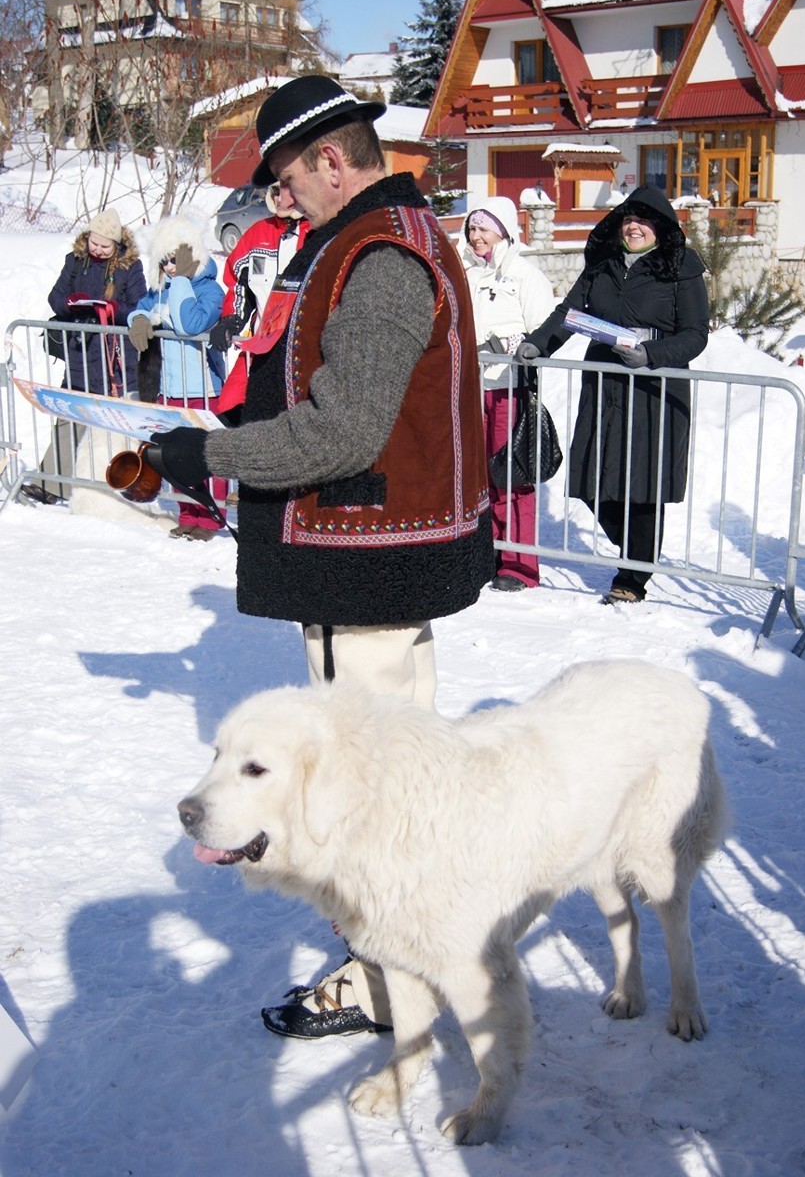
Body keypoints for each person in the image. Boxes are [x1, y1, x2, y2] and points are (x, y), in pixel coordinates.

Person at [145, 74, 493, 1038]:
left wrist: (204, 453)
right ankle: (406, 960)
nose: (278, 198)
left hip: (367, 548)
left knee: (373, 790)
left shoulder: (378, 255)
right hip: (369, 546)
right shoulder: (371, 238)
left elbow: (342, 431)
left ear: (333, 159)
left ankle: (389, 981)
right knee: (402, 777)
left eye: (287, 178)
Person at [518, 185, 709, 604]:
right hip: (604, 385)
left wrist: (652, 354)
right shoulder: (602, 265)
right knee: (591, 478)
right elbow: (569, 315)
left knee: (642, 484)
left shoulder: (681, 268)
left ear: (660, 227)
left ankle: (633, 576)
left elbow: (696, 335)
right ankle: (640, 556)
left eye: (643, 221)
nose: (634, 227)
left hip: (654, 388)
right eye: (628, 219)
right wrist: (539, 343)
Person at [461, 199, 556, 591]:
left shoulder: (523, 274)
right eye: (472, 229)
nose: (476, 236)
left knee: (511, 475)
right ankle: (487, 553)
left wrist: (512, 343)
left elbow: (546, 328)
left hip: (510, 389)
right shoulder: (466, 273)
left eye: (484, 228)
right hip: (471, 387)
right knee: (476, 476)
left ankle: (520, 564)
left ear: (503, 230)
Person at [22, 209, 147, 504]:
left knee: (114, 424)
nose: (99, 250)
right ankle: (51, 482)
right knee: (68, 415)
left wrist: (115, 309)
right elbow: (55, 296)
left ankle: (119, 488)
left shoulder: (131, 267)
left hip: (115, 357)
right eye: (95, 243)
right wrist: (69, 303)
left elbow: (141, 306)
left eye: (106, 246)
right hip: (80, 352)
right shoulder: (75, 261)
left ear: (117, 244)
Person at [127, 213, 226, 540]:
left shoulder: (209, 289)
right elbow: (141, 305)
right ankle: (187, 511)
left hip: (201, 388)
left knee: (205, 454)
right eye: (165, 261)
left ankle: (211, 517)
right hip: (170, 388)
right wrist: (139, 319)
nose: (170, 267)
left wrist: (183, 279)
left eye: (176, 259)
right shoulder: (162, 290)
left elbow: (190, 324)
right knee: (175, 454)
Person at [211, 180, 310, 354]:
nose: (277, 198)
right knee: (234, 383)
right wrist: (231, 319)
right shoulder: (258, 234)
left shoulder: (317, 233)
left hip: (303, 351)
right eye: (274, 191)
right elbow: (237, 283)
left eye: (283, 191)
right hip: (263, 346)